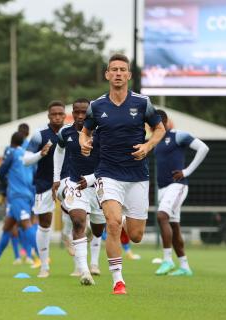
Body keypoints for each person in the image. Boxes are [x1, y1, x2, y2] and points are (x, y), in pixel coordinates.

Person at [79, 53, 166, 294]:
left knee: (136, 235)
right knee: (113, 223)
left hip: (137, 175)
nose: (118, 73)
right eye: (113, 69)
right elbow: (84, 132)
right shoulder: (97, 106)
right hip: (107, 173)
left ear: (128, 75)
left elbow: (159, 129)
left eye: (122, 70)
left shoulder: (142, 103)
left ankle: (126, 218)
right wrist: (84, 142)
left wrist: (148, 146)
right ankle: (118, 281)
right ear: (107, 74)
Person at [53, 98, 105, 285]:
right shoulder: (65, 132)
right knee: (77, 221)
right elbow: (58, 152)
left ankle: (91, 239)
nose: (81, 116)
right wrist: (56, 179)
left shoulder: (101, 132)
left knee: (98, 229)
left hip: (98, 187)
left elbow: (108, 159)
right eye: (77, 112)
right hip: (75, 184)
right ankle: (84, 271)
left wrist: (93, 177)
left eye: (85, 112)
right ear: (72, 112)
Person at [154, 109, 209, 276]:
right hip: (163, 188)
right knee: (174, 225)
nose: (150, 126)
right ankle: (185, 266)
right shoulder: (155, 141)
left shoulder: (177, 135)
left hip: (177, 186)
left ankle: (167, 260)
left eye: (154, 122)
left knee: (161, 216)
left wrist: (186, 171)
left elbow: (203, 148)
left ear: (164, 121)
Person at [23, 100, 67, 278]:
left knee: (77, 217)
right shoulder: (39, 135)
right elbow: (25, 160)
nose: (57, 117)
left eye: (60, 114)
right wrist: (40, 154)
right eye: (53, 114)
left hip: (67, 181)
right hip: (44, 183)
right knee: (45, 223)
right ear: (49, 116)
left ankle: (81, 266)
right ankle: (44, 266)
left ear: (65, 115)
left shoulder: (71, 132)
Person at [0, 132, 37, 267]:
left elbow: (1, 171)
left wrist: (7, 183)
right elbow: (35, 174)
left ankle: (41, 257)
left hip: (18, 195)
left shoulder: (12, 152)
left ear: (11, 141)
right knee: (7, 227)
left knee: (26, 224)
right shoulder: (28, 155)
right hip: (27, 194)